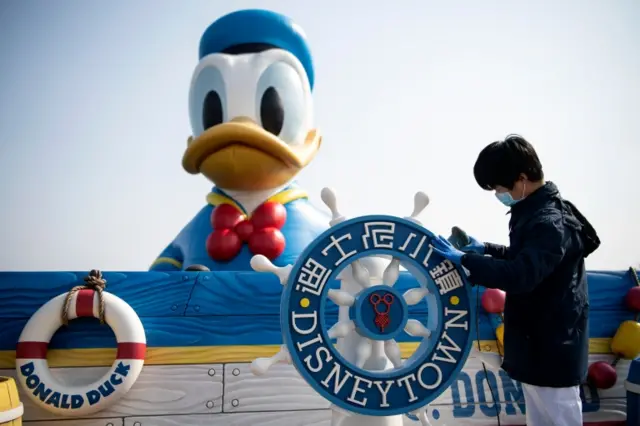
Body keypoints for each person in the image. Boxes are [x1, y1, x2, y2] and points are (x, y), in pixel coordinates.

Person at [431, 134, 601, 426]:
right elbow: (530, 258)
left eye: (498, 186)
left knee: (559, 419)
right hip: (536, 345)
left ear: (522, 179)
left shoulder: (550, 220)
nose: (497, 192)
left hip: (553, 346)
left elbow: (522, 275)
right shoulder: (534, 212)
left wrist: (467, 261)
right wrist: (485, 249)